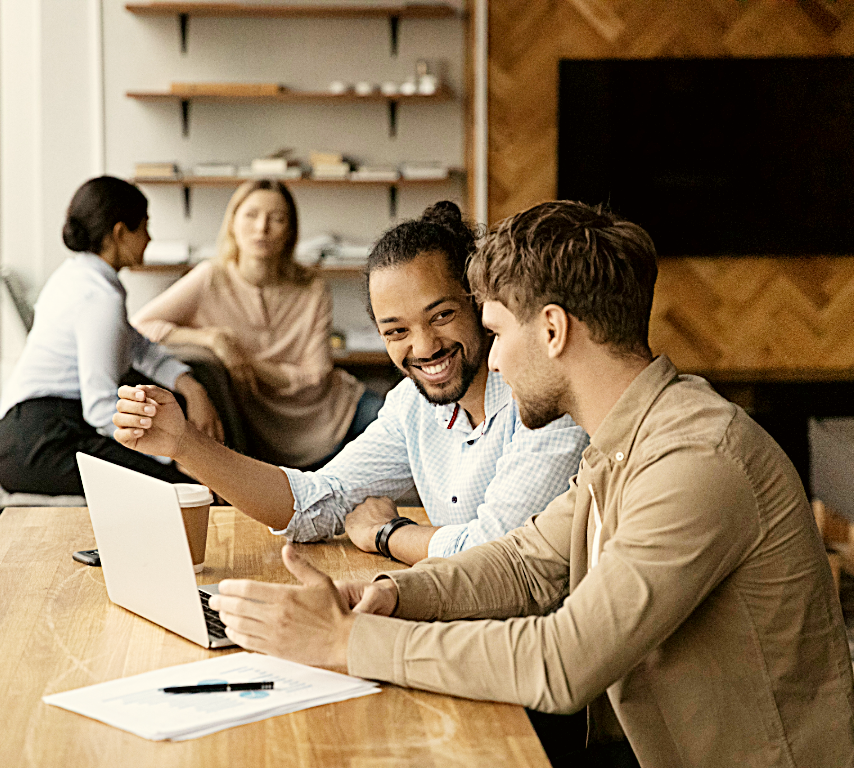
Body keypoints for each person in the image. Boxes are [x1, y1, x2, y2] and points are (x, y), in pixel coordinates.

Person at [192, 201, 854, 767]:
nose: (496, 359)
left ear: (554, 329)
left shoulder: (696, 458)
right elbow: (526, 564)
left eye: (498, 332)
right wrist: (381, 596)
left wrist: (347, 642)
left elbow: (563, 660)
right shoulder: (633, 435)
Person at [114, 200, 588, 565]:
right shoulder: (413, 405)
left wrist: (389, 534)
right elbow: (313, 504)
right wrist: (185, 444)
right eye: (396, 331)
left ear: (478, 304)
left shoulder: (544, 400)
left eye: (441, 315)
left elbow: (495, 551)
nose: (423, 347)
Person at [0, 175, 222, 495]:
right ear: (120, 233)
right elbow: (100, 407)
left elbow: (138, 346)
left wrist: (191, 387)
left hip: (31, 431)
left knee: (186, 486)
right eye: (144, 227)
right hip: (41, 442)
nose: (149, 238)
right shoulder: (99, 298)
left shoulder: (79, 275)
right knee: (188, 493)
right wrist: (173, 455)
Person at [131, 179, 380, 469]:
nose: (262, 228)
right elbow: (139, 327)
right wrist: (211, 339)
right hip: (264, 430)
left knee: (406, 426)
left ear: (290, 232)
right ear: (233, 223)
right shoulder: (210, 277)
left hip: (334, 412)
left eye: (276, 219)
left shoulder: (312, 288)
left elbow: (316, 379)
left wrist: (244, 362)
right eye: (251, 215)